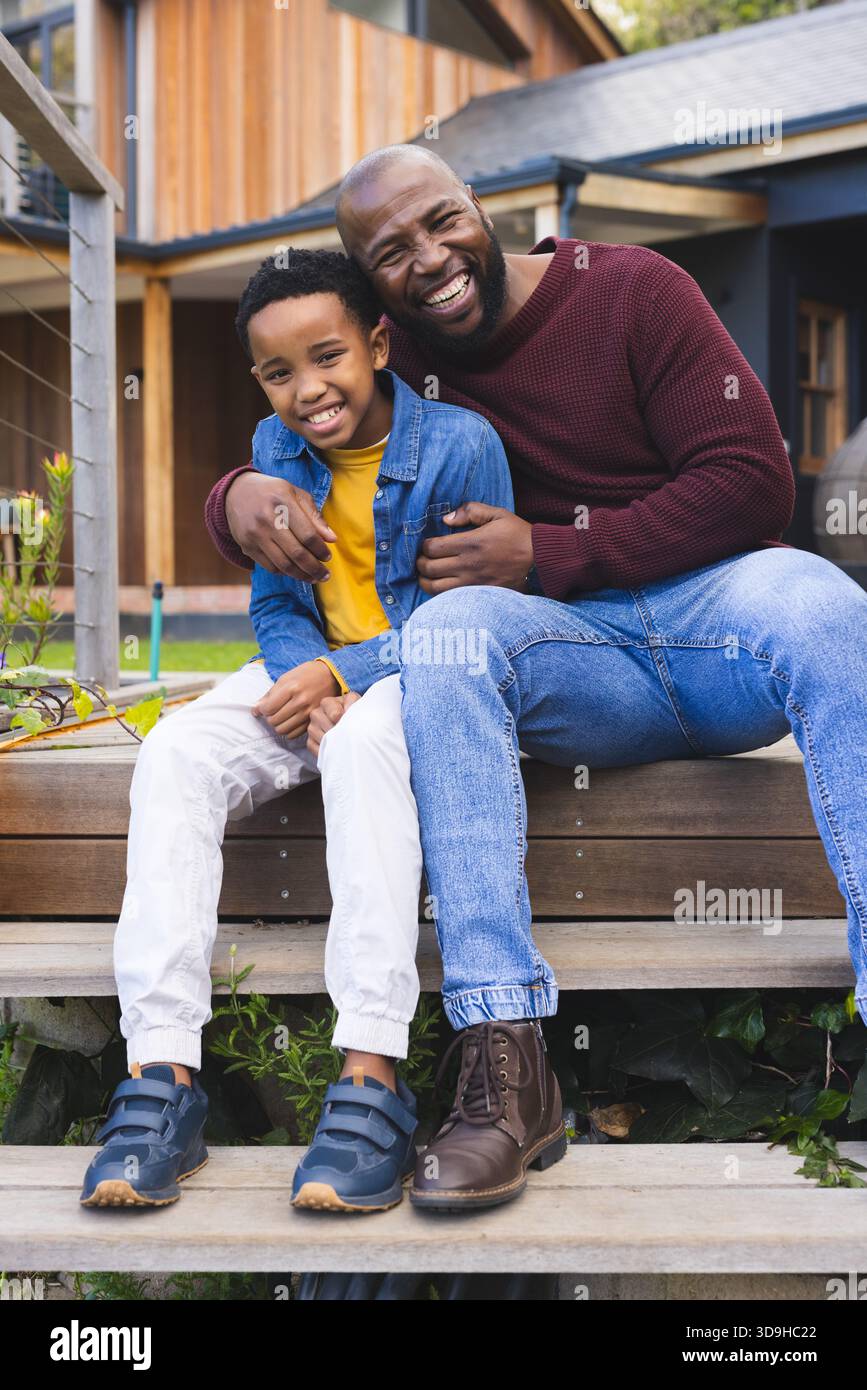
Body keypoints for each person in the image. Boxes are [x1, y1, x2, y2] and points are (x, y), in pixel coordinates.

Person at [204, 144, 867, 1214]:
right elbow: (312, 414)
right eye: (393, 254)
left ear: (481, 205)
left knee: (833, 609)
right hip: (572, 661)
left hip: (718, 614)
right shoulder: (406, 354)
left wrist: (553, 550)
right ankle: (507, 1067)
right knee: (454, 631)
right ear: (376, 295)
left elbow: (750, 482)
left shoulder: (637, 289)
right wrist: (231, 496)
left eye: (441, 220)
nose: (431, 259)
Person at [79, 246, 516, 1213]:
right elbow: (277, 606)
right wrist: (305, 684)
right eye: (279, 373)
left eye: (327, 358)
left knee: (364, 743)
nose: (307, 390)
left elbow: (470, 621)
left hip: (425, 679)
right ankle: (164, 1078)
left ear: (376, 341)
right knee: (177, 749)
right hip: (313, 681)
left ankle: (370, 1073)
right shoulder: (273, 451)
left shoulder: (459, 444)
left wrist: (346, 676)